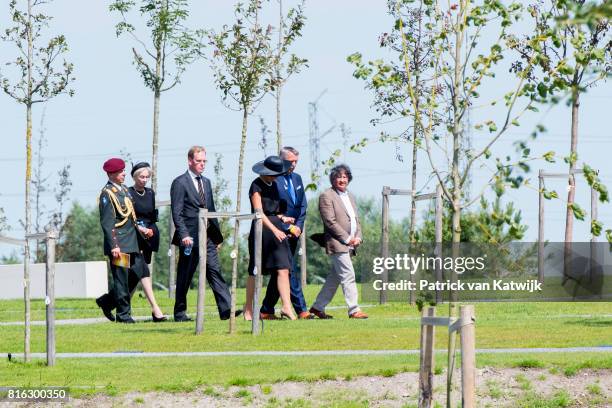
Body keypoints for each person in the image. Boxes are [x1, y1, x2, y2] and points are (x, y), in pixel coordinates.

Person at [170, 146, 240, 321]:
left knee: (214, 270)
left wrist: (216, 237)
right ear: (190, 161)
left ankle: (226, 310)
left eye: (204, 161)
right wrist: (184, 234)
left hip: (207, 236)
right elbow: (177, 212)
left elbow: (211, 210)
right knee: (185, 275)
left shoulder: (206, 182)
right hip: (189, 238)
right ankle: (179, 313)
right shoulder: (180, 182)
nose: (202, 164)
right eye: (199, 161)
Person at [95, 161, 167, 323]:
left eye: (124, 171)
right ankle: (124, 315)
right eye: (120, 172)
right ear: (111, 174)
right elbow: (107, 223)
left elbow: (131, 217)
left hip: (133, 241)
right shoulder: (107, 193)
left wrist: (142, 231)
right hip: (119, 243)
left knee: (139, 273)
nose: (124, 174)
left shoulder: (125, 190)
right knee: (121, 279)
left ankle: (106, 301)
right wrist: (114, 246)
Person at [309, 164, 369, 319]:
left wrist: (358, 237)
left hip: (351, 243)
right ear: (333, 179)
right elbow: (330, 222)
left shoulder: (350, 196)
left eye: (345, 177)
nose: (342, 180)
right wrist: (348, 239)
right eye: (338, 177)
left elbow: (357, 220)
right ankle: (354, 310)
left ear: (348, 178)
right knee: (348, 275)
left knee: (334, 278)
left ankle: (317, 307)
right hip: (338, 243)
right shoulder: (326, 196)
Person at [259, 147, 311, 320]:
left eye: (296, 161)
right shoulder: (273, 180)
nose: (293, 165)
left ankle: (266, 310)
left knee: (281, 271)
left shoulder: (297, 178)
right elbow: (272, 210)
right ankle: (301, 309)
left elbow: (302, 205)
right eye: (290, 161)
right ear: (281, 160)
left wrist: (299, 226)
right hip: (278, 231)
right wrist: (287, 227)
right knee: (289, 269)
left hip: (295, 231)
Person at [245, 155, 296, 320]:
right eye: (274, 173)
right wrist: (275, 230)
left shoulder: (274, 184)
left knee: (283, 268)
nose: (277, 176)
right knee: (255, 270)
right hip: (262, 230)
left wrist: (282, 218)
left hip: (277, 229)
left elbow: (275, 210)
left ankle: (287, 307)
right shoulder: (256, 186)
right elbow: (259, 213)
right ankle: (248, 310)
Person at [127, 162, 166, 322]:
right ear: (135, 177)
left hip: (149, 237)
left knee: (134, 276)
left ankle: (119, 306)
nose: (144, 180)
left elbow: (152, 216)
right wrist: (141, 229)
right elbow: (128, 218)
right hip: (134, 237)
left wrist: (150, 230)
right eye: (141, 177)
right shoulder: (128, 193)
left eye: (147, 177)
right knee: (143, 272)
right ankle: (156, 309)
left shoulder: (150, 193)